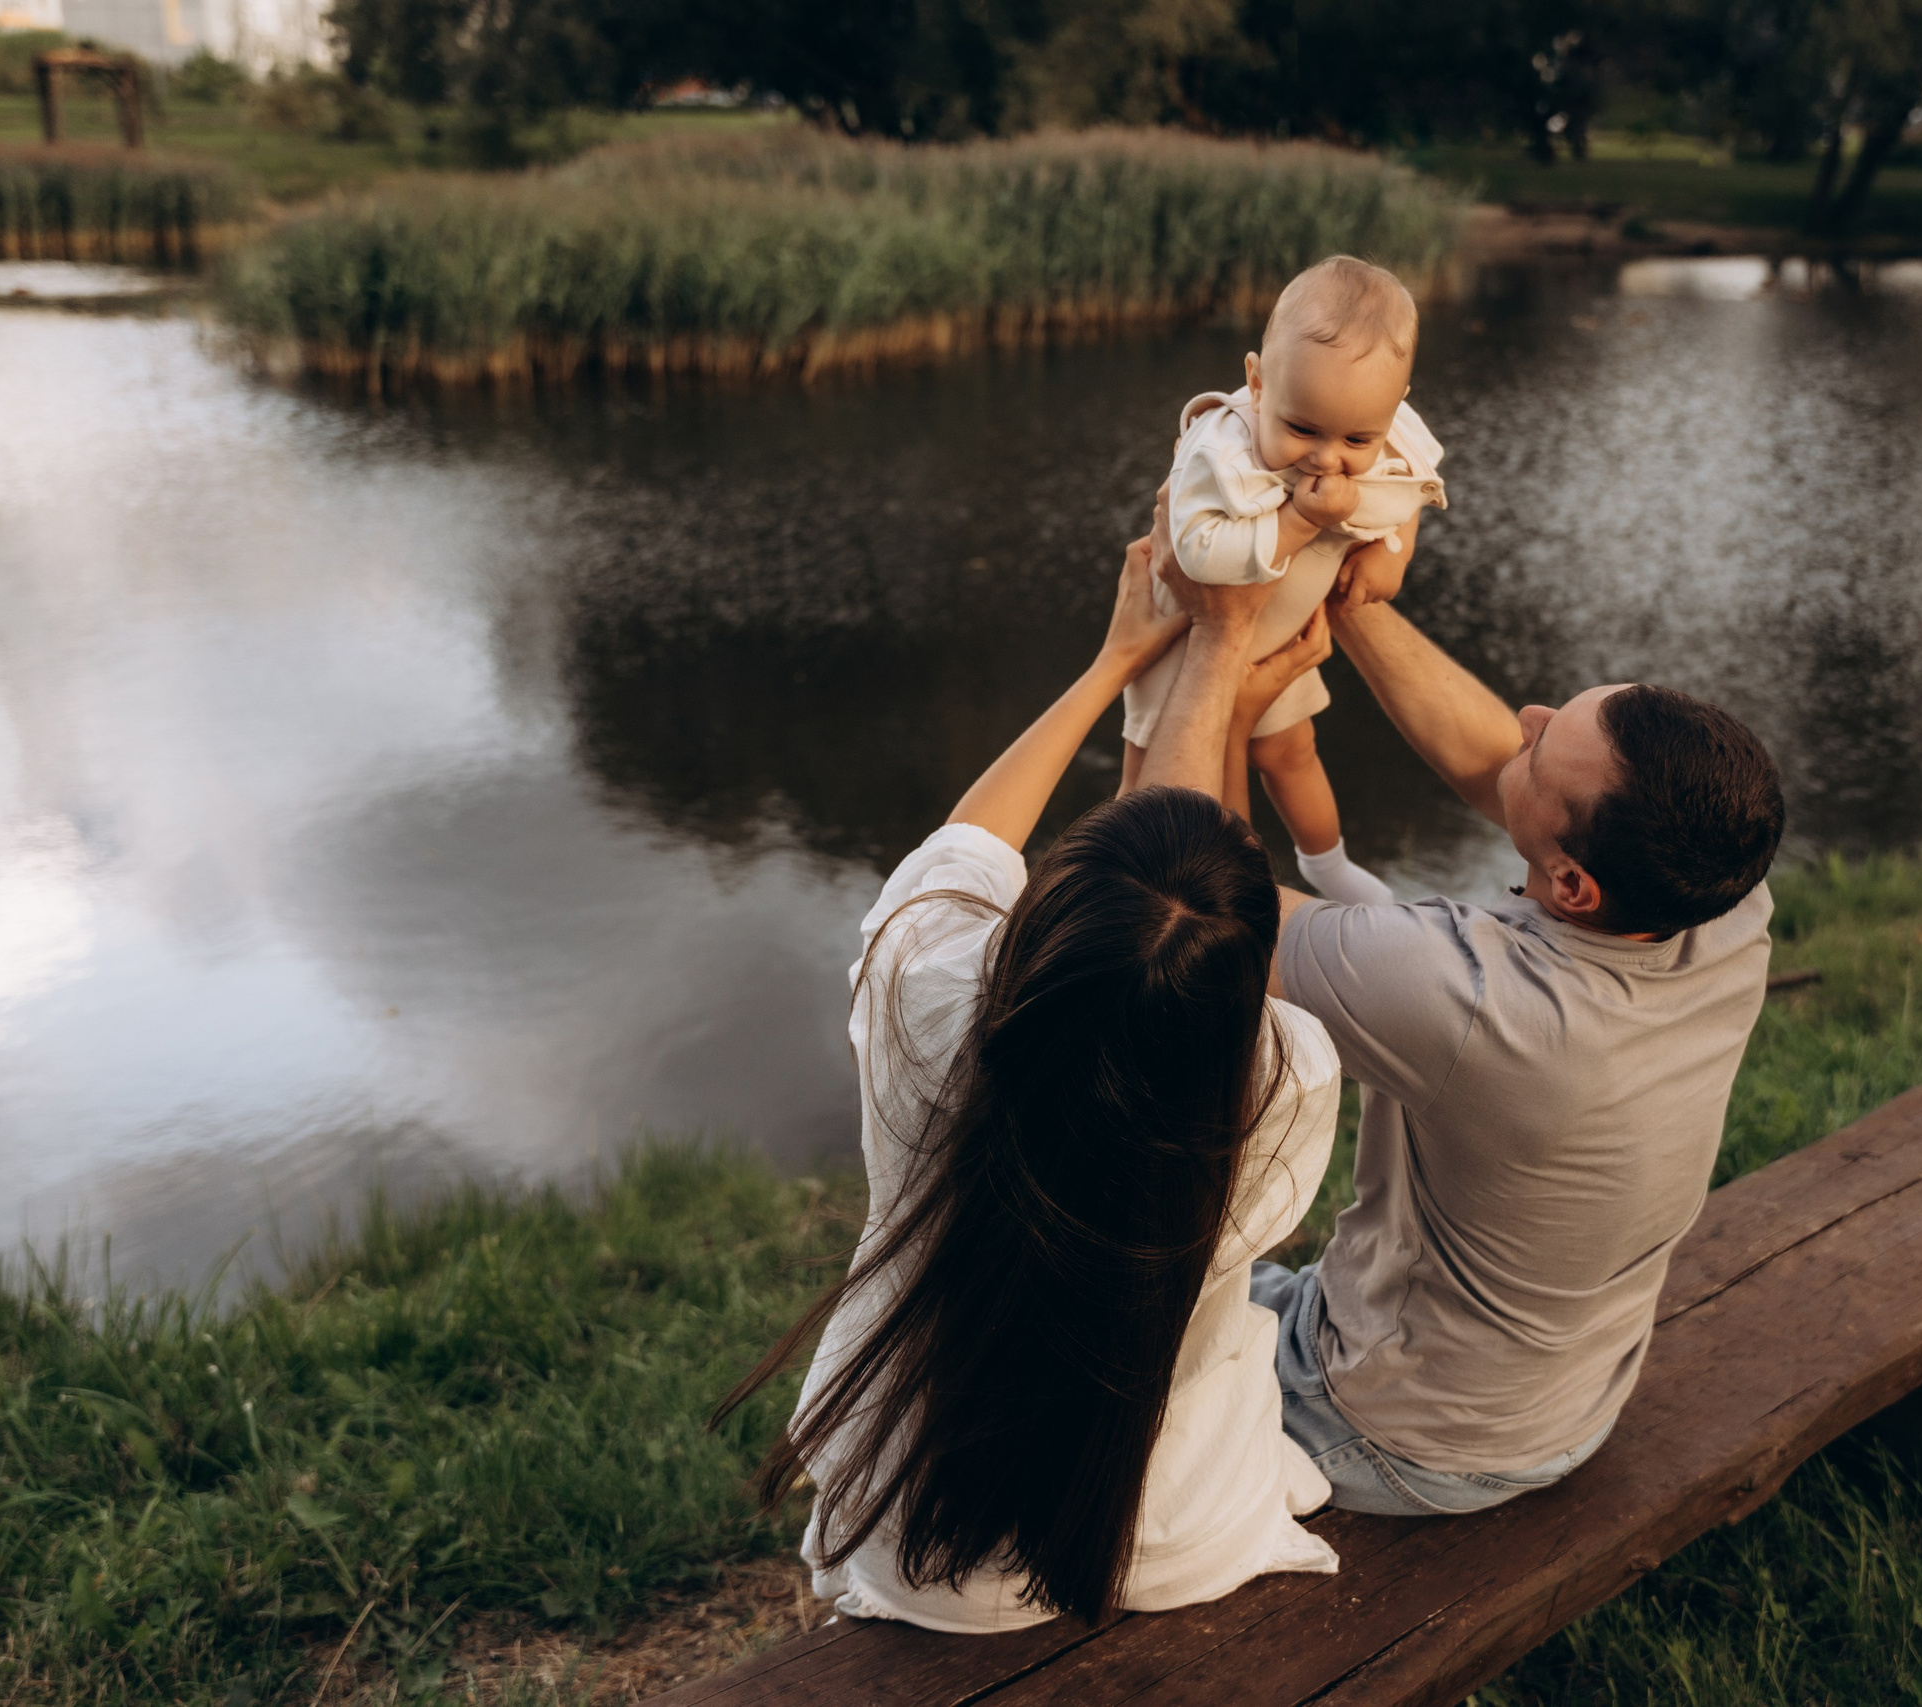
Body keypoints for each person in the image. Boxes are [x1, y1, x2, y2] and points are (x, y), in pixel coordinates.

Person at [713, 536, 1345, 1630]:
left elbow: (965, 844)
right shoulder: (1287, 1076)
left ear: (1041, 921)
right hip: (1171, 1531)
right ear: (1248, 983)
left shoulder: (926, 986)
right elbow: (1170, 950)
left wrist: (1115, 658)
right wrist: (1225, 675)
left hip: (915, 1547)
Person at [1139, 512, 1788, 1519]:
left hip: (1397, 1436)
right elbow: (1497, 763)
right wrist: (1349, 598)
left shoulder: (1479, 1002)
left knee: (1063, 1322)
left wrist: (1219, 646)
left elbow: (1174, 893)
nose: (1520, 720)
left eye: (1544, 749)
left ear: (1569, 884)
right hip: (1560, 1402)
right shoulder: (1723, 902)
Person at [1120, 255, 1448, 909]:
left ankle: (1326, 863)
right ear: (1258, 382)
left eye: (1358, 438)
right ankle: (1130, 881)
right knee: (1153, 774)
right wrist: (1300, 520)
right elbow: (1201, 557)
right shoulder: (1220, 450)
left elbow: (1417, 476)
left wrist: (1396, 547)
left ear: (1393, 408)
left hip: (1275, 640)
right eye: (1302, 430)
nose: (1328, 457)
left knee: (1293, 751)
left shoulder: (1382, 427)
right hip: (1183, 644)